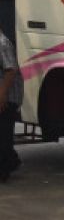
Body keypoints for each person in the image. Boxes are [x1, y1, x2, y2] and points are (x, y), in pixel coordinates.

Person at [0, 30, 23, 181]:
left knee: (3, 135)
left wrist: (2, 95)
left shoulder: (2, 43)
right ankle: (12, 161)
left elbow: (11, 70)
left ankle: (4, 170)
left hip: (8, 97)